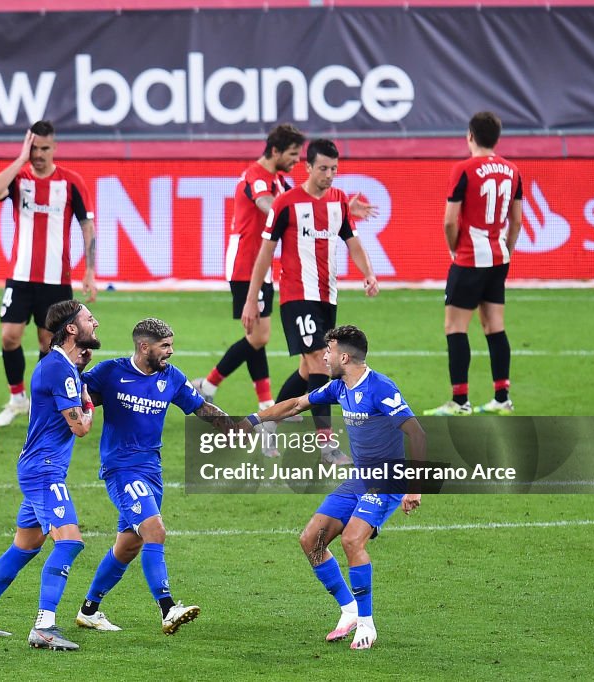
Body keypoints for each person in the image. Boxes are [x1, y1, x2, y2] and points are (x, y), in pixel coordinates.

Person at [244, 325, 426, 650]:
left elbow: (417, 434)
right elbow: (297, 404)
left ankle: (367, 626)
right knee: (310, 540)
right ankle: (349, 610)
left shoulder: (381, 388)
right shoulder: (339, 387)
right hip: (360, 478)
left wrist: (415, 487)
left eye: (328, 351)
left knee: (353, 540)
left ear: (344, 355)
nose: (323, 357)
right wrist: (253, 420)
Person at [75, 318, 238, 635]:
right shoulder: (110, 373)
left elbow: (201, 407)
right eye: (164, 346)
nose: (170, 352)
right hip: (121, 468)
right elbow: (75, 395)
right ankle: (168, 609)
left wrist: (236, 427)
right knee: (154, 530)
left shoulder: (172, 377)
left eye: (171, 345)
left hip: (152, 470)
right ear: (143, 346)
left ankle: (89, 611)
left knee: (128, 546)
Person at [0, 300, 100, 651]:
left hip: (40, 466)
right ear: (71, 329)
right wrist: (89, 405)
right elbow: (80, 428)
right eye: (87, 318)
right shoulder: (58, 370)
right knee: (69, 542)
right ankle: (44, 626)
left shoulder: (60, 365)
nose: (94, 322)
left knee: (26, 545)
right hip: (45, 470)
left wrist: (80, 378)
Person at [242, 138, 378, 465]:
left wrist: (368, 273)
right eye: (323, 168)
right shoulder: (286, 203)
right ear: (308, 167)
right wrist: (251, 298)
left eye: (334, 169)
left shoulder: (339, 201)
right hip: (295, 295)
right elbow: (265, 254)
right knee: (321, 361)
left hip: (326, 296)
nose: (329, 174)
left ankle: (268, 421)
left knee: (307, 368)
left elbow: (353, 242)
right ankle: (328, 446)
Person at [0, 121, 98, 427]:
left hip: (56, 280)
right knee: (9, 337)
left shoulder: (71, 182)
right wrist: (20, 159)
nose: (38, 154)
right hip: (20, 276)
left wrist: (90, 270)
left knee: (48, 343)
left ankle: (40, 400)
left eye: (44, 148)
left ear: (55, 147)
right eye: (34, 147)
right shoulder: (19, 178)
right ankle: (16, 399)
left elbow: (87, 226)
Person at [192, 124, 305, 413]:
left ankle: (264, 402)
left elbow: (298, 199)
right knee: (259, 336)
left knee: (256, 335)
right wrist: (291, 217)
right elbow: (265, 203)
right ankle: (208, 386)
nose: (297, 160)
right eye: (293, 154)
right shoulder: (257, 176)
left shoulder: (277, 178)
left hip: (260, 265)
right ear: (276, 151)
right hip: (246, 264)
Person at [424, 111, 523, 416]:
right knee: (495, 326)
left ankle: (460, 401)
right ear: (496, 138)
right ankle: (502, 397)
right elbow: (516, 221)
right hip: (498, 257)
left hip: (469, 258)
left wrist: (455, 250)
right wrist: (505, 250)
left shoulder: (464, 169)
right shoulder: (512, 170)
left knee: (455, 328)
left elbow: (450, 221)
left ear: (470, 136)